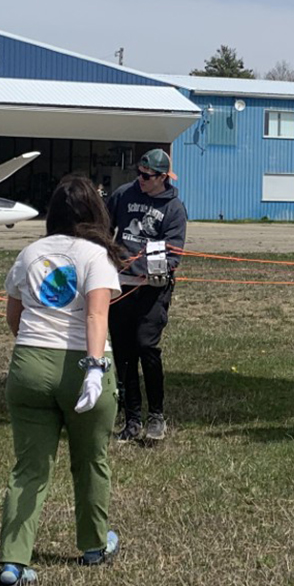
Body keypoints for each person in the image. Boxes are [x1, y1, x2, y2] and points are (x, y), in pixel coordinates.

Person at [0, 175, 124, 586]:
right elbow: (95, 316)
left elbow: (13, 318)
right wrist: (93, 368)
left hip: (30, 361)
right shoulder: (96, 256)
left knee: (29, 469)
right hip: (82, 363)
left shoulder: (30, 253)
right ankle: (93, 545)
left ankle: (13, 560)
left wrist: (36, 352)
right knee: (90, 459)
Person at [106, 148, 188, 444]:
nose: (140, 180)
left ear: (163, 177)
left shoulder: (174, 208)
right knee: (123, 353)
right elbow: (105, 228)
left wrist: (138, 266)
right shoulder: (123, 194)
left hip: (153, 289)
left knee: (146, 346)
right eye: (138, 174)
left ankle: (156, 416)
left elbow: (173, 254)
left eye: (147, 176)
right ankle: (131, 420)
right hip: (120, 287)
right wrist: (109, 256)